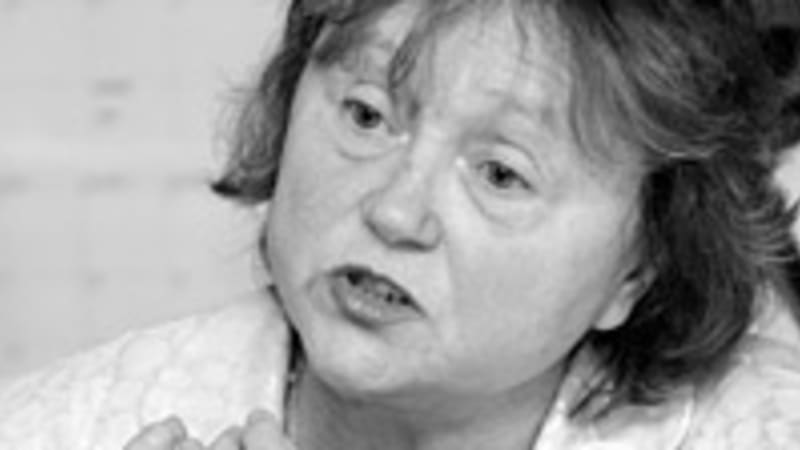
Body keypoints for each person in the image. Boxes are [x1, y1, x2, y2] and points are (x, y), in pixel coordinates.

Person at [2, 0, 800, 449]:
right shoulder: (56, 427)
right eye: (365, 114)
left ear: (643, 265)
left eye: (501, 173)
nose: (393, 212)